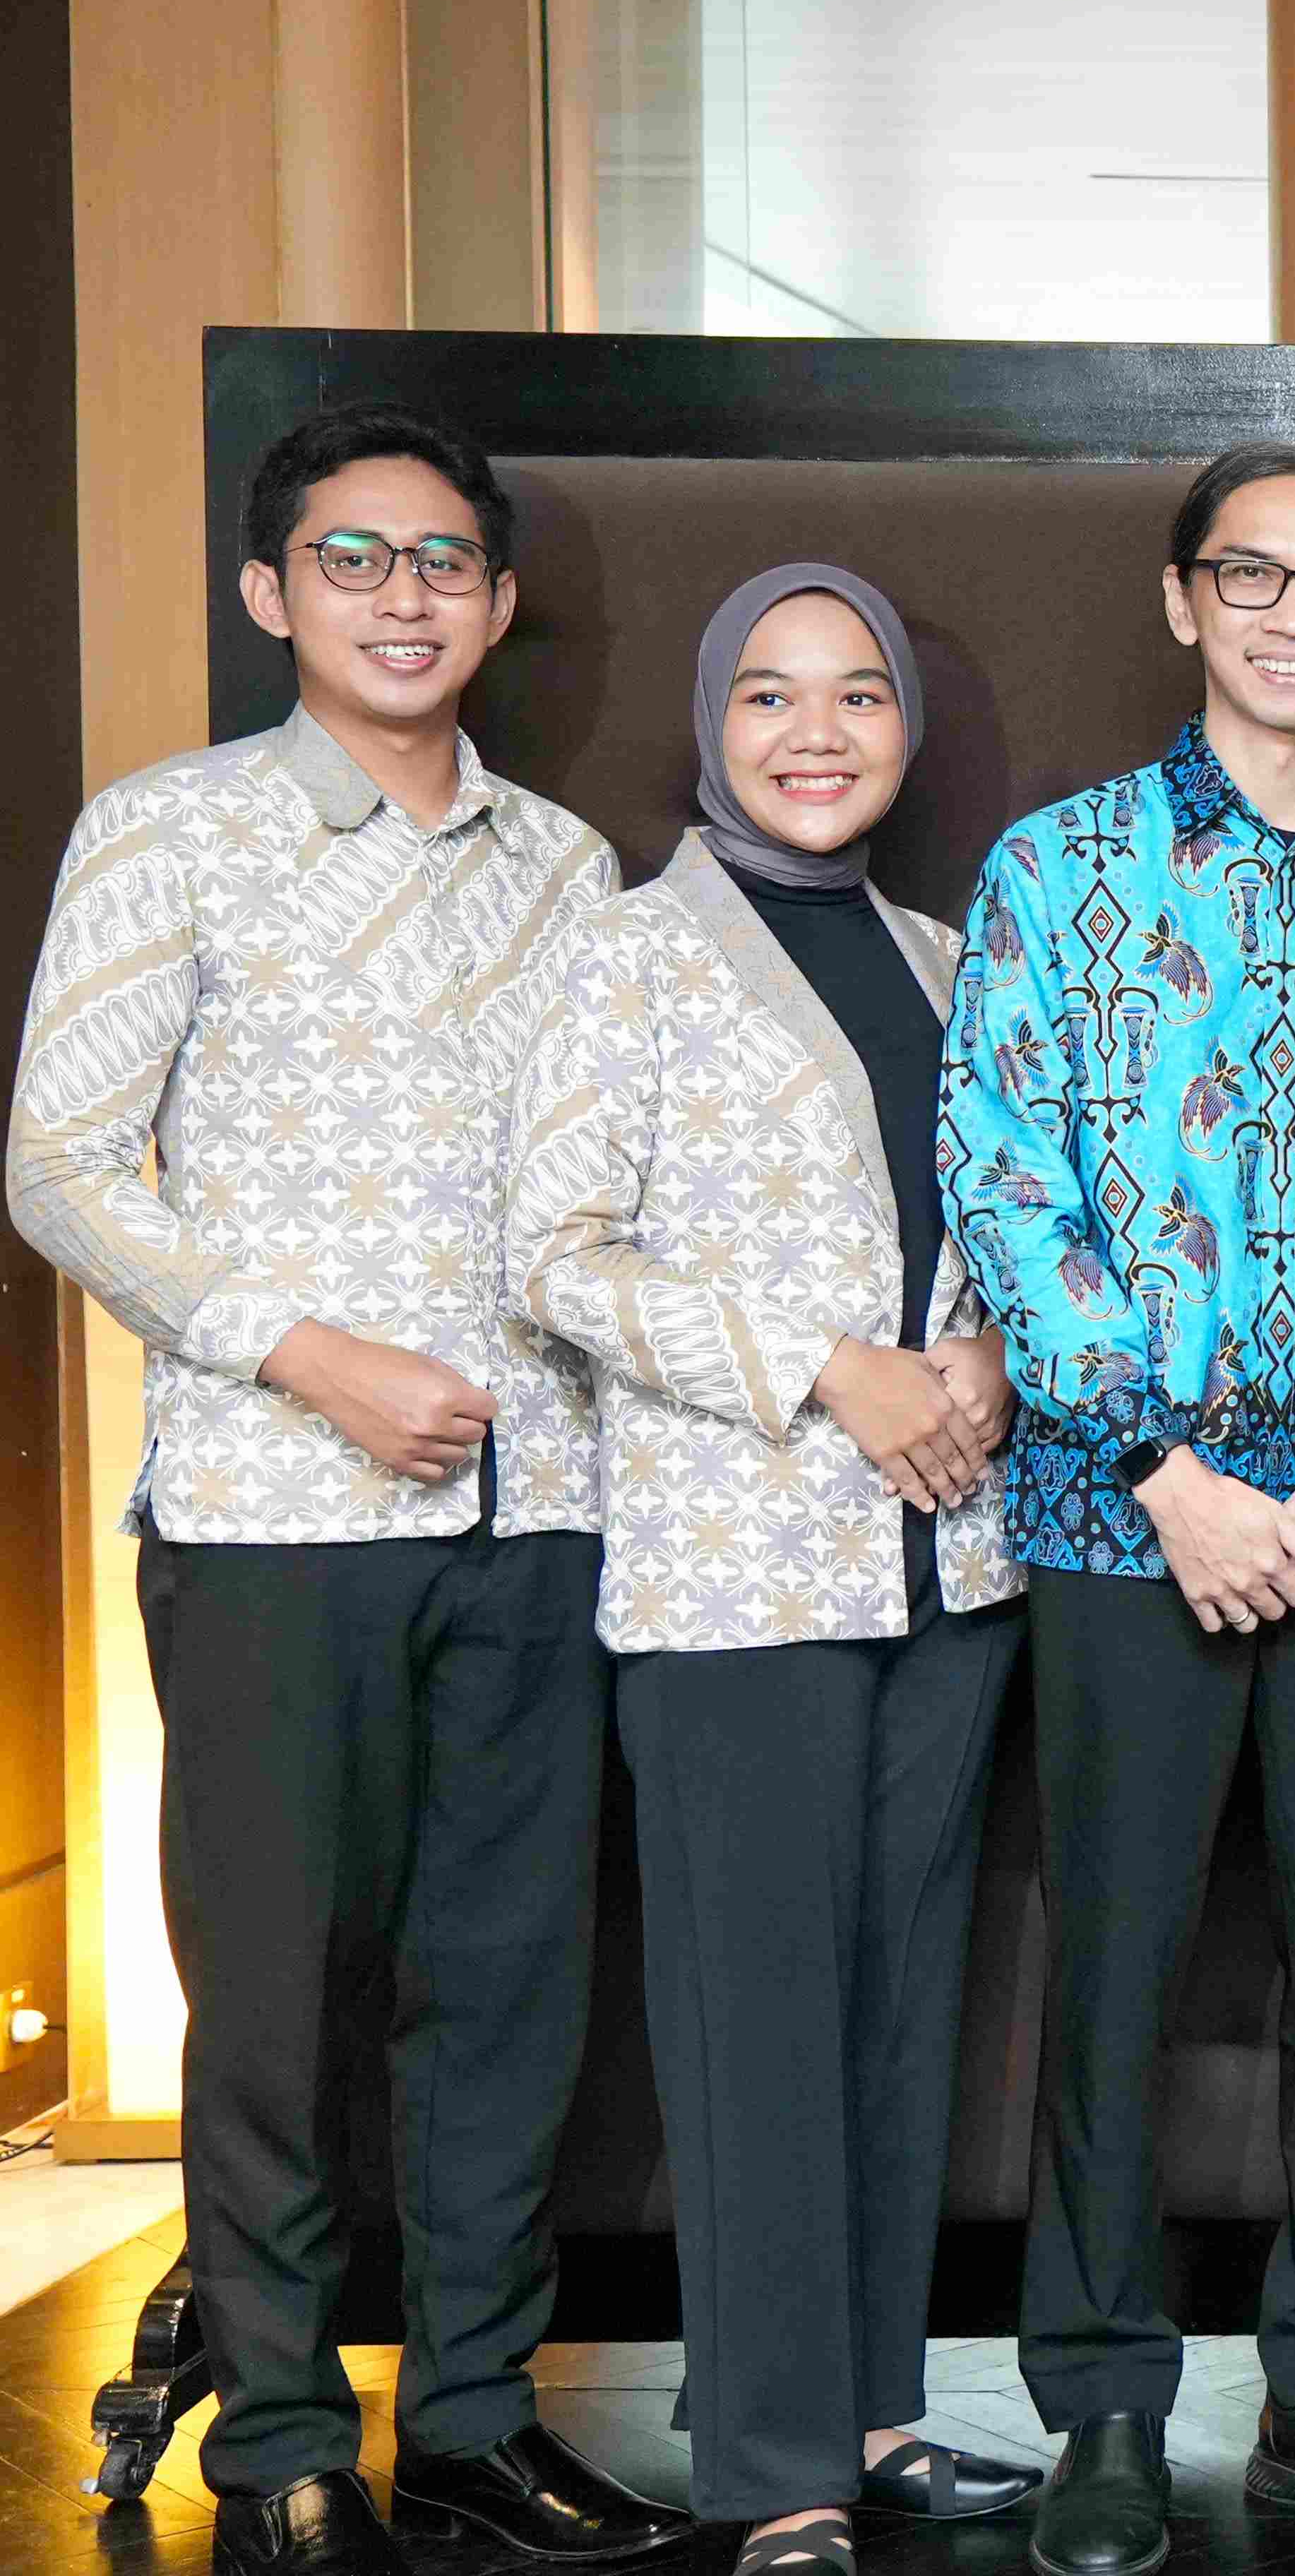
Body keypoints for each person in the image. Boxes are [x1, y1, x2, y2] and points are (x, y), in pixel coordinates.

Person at [2, 402, 684, 2576]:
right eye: (356, 560)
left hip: (542, 1515)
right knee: (279, 1998)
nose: (406, 600)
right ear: (271, 593)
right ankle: (281, 2437)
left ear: (496, 603)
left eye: (445, 566)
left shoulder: (569, 865)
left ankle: (476, 2420)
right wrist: (308, 1354)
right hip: (276, 1519)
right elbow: (59, 1165)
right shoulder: (170, 833)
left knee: (508, 2004)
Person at [942, 443, 1295, 2576]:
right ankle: (1100, 2400)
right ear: (1183, 600)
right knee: (1111, 1963)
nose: (1292, 613)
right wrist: (1165, 1472)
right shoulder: (1052, 868)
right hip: (1127, 1530)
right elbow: (1006, 1181)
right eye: (1250, 575)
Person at [505, 565, 1042, 2576]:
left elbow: (1001, 1216)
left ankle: (880, 2407)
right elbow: (554, 1255)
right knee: (752, 2022)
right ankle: (769, 2463)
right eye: (771, 700)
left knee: (910, 2009)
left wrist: (985, 1352)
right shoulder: (625, 957)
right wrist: (824, 1367)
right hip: (739, 1569)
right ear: (715, 727)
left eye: (857, 699)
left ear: (905, 728)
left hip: (948, 1563)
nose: (817, 736)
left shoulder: (950, 951)